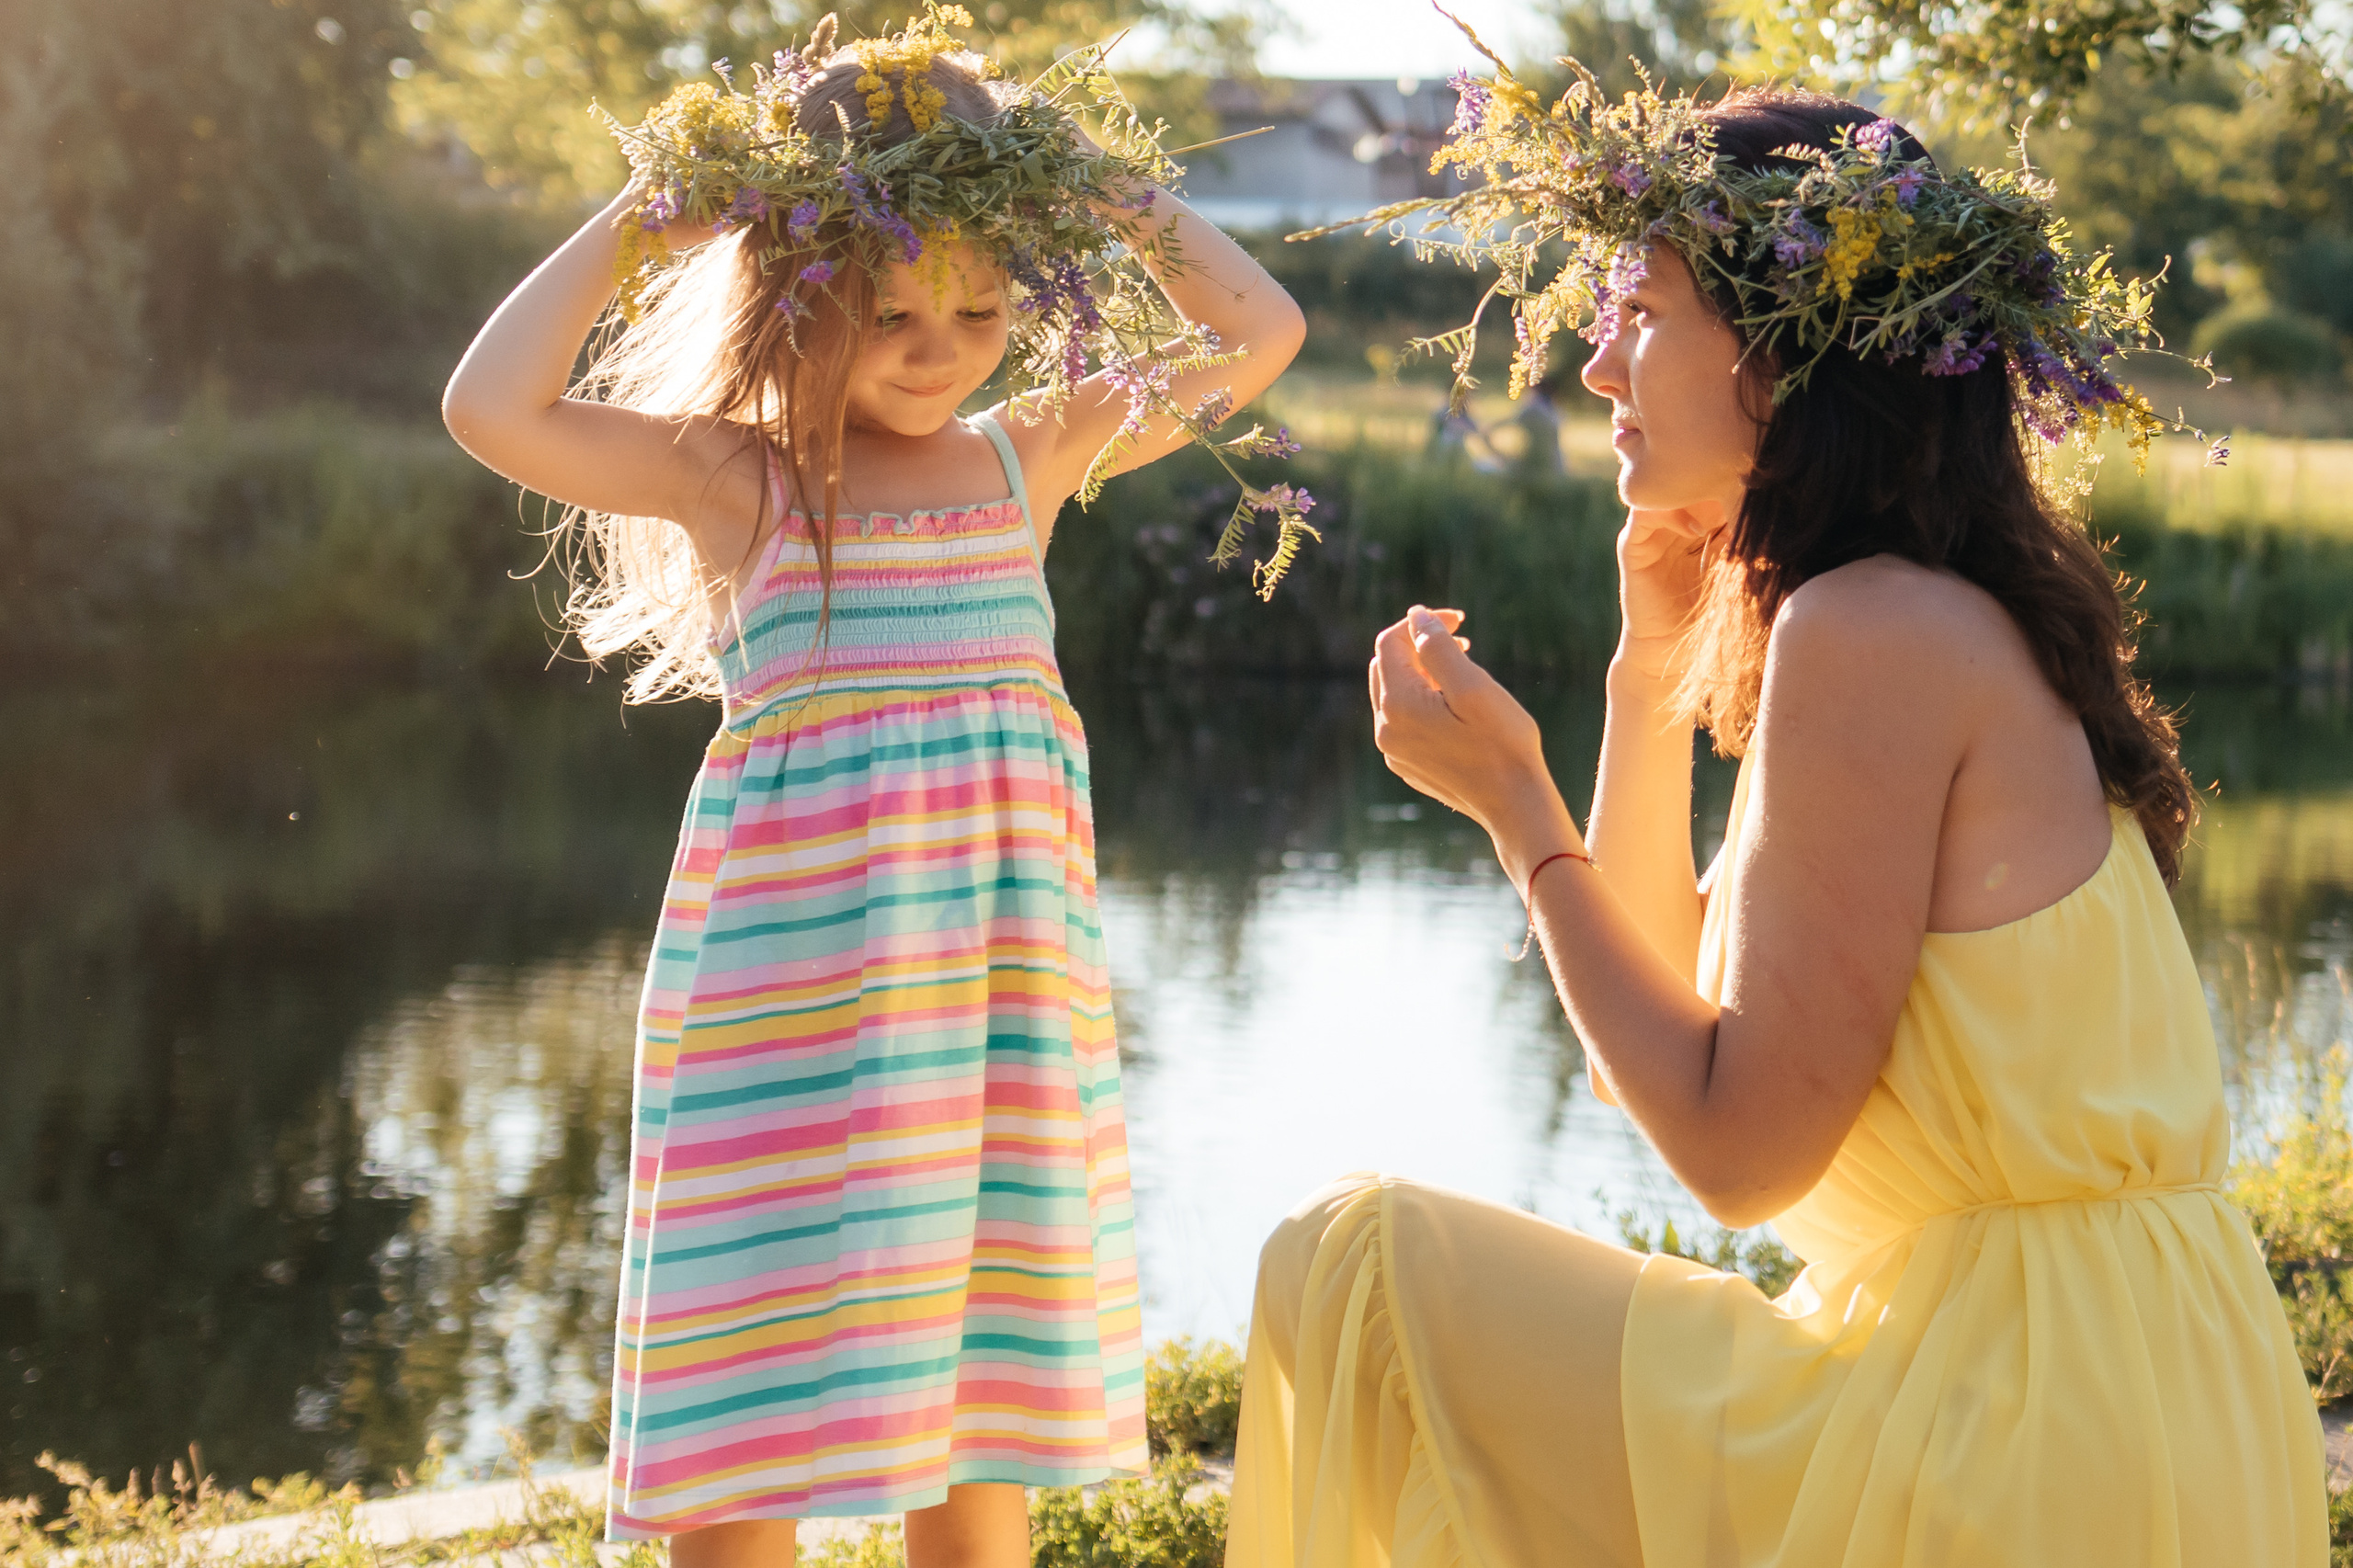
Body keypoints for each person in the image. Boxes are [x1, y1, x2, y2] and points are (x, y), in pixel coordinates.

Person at [1230, 76, 2324, 1568]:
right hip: (2101, 1379)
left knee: (1353, 1262)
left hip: (2008, 1420)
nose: (1597, 364)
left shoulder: (1870, 633)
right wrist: (1643, 668)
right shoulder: (1903, 614)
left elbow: (1737, 1156)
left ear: (1784, 351)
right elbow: (1665, 1033)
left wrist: (1517, 813)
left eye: (1643, 311)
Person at [440, 14, 1305, 1566]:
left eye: (982, 304)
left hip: (987, 1019)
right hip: (787, 1016)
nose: (941, 345)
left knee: (976, 1429)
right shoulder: (741, 480)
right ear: (795, 295)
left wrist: (1084, 185)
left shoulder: (1023, 455)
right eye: (896, 307)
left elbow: (1258, 328)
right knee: (746, 1418)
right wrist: (652, 213)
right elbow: (489, 408)